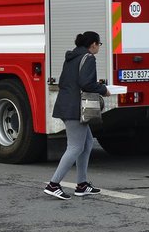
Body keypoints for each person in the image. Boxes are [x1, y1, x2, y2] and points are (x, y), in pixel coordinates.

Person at [44, 30, 109, 200]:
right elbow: (86, 83)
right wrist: (104, 89)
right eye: (99, 44)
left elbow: (69, 81)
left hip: (68, 104)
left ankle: (82, 185)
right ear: (93, 44)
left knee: (87, 143)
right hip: (75, 108)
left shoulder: (72, 57)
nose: (99, 48)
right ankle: (53, 184)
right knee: (75, 147)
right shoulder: (88, 58)